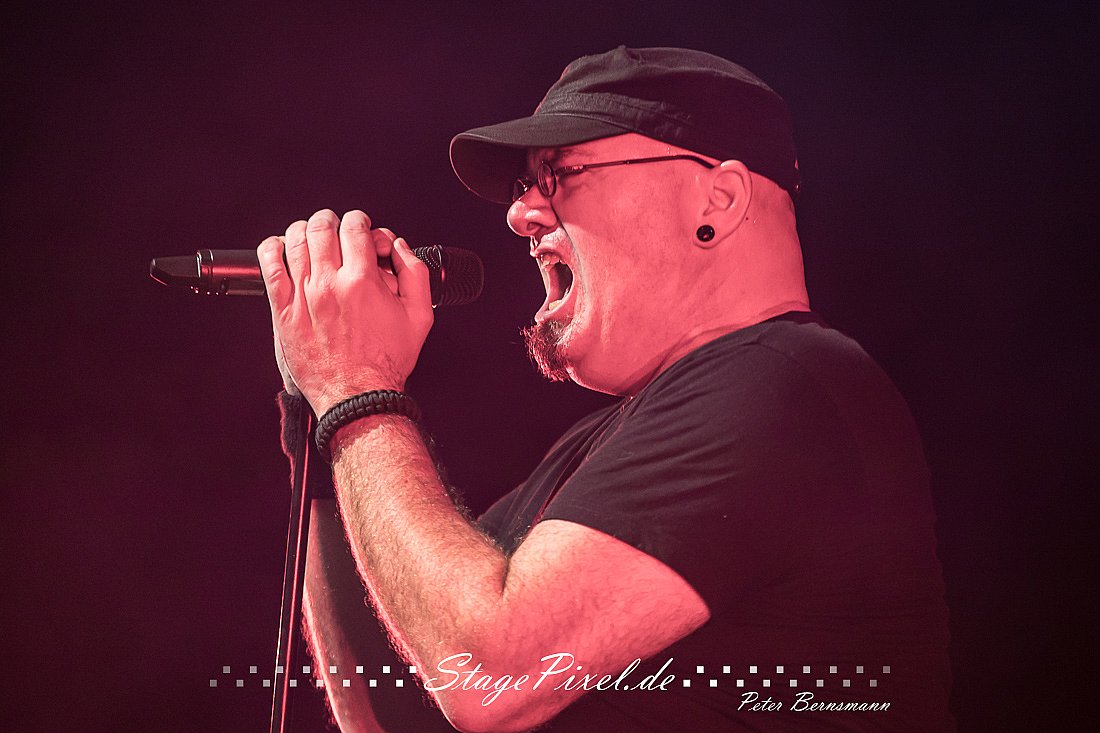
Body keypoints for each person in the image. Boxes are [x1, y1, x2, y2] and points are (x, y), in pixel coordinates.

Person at [259, 47, 954, 732]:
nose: (520, 214)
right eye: (525, 184)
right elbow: (394, 711)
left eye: (559, 174)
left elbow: (491, 674)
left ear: (718, 199)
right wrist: (323, 420)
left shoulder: (785, 383)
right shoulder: (601, 443)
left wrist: (357, 390)